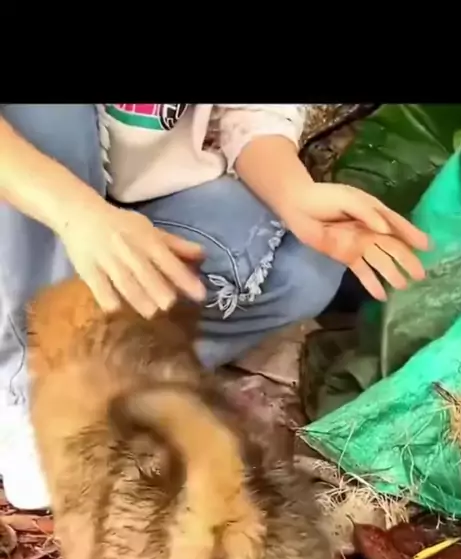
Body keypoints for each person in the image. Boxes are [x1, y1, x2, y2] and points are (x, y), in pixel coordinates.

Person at [0, 103, 429, 511]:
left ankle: (113, 377)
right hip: (28, 195)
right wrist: (78, 214)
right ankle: (28, 398)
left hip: (142, 204)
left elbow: (254, 113)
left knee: (306, 269)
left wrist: (296, 195)